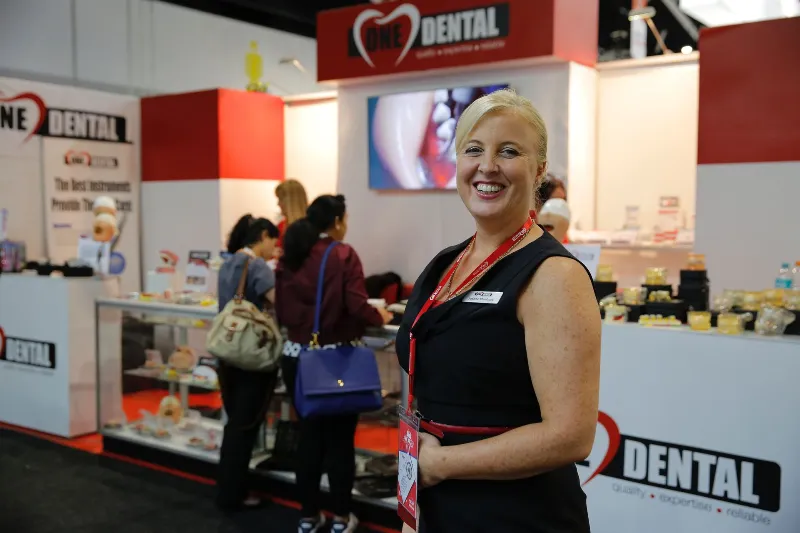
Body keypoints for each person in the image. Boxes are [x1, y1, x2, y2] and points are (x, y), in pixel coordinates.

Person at [395, 89, 601, 532]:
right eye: (474, 149)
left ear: (539, 170)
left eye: (509, 151)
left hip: (515, 515)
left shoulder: (553, 275)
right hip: (439, 505)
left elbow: (571, 434)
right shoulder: (445, 263)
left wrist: (441, 464)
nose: (487, 166)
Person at [275, 195, 393, 533]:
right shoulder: (341, 254)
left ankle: (308, 517)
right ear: (338, 221)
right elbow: (356, 305)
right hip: (335, 361)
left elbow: (282, 310)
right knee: (340, 442)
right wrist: (379, 314)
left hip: (297, 358)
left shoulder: (292, 253)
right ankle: (342, 517)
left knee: (308, 439)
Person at [215, 214, 280, 513]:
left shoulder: (228, 262)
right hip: (251, 356)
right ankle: (233, 494)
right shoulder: (258, 267)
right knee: (245, 426)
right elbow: (278, 300)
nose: (274, 248)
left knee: (234, 424)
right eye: (273, 241)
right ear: (263, 235)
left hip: (227, 354)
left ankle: (229, 489)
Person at [275, 179, 309, 255]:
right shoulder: (281, 226)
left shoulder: (309, 229)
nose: (278, 203)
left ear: (290, 201)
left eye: (280, 199)